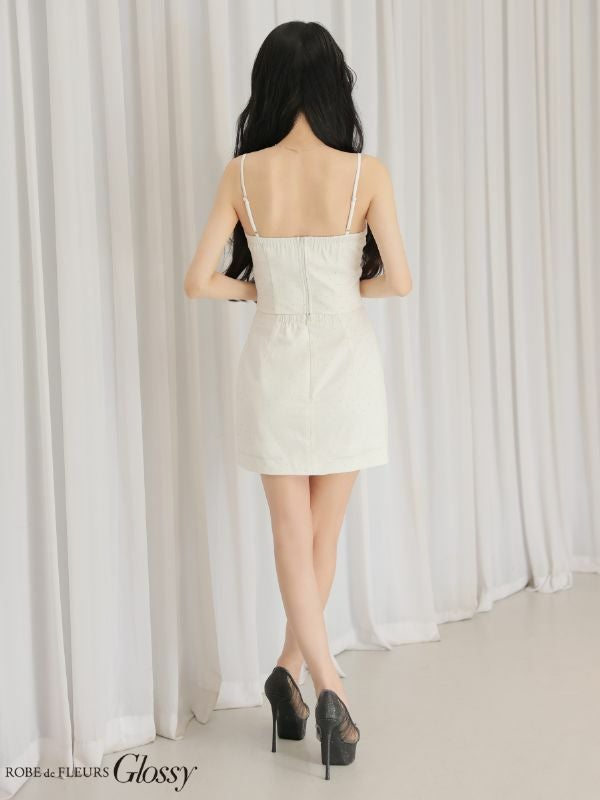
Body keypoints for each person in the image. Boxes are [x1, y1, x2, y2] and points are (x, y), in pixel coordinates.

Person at [184, 20, 412, 781]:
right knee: (323, 536)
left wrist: (258, 292)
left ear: (271, 87)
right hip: (347, 362)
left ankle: (289, 672)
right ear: (332, 85)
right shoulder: (365, 173)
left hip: (274, 361)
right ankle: (330, 685)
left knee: (291, 534)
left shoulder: (243, 174)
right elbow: (400, 281)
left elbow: (198, 281)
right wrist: (345, 292)